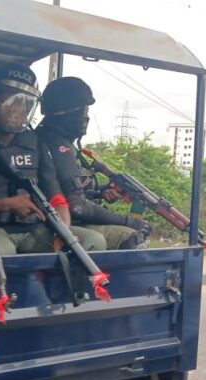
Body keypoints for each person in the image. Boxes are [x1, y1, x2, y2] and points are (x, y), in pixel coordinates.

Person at [0, 63, 106, 255]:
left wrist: (62, 232)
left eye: (24, 103)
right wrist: (7, 204)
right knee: (2, 252)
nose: (16, 109)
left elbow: (57, 198)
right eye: (9, 99)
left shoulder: (35, 142)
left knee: (93, 241)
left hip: (34, 229)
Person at [36, 77, 149, 250]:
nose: (86, 119)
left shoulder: (50, 139)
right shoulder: (58, 146)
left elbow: (69, 190)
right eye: (82, 112)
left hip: (58, 220)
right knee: (132, 238)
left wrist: (100, 191)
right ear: (64, 114)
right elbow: (77, 207)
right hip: (56, 223)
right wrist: (129, 221)